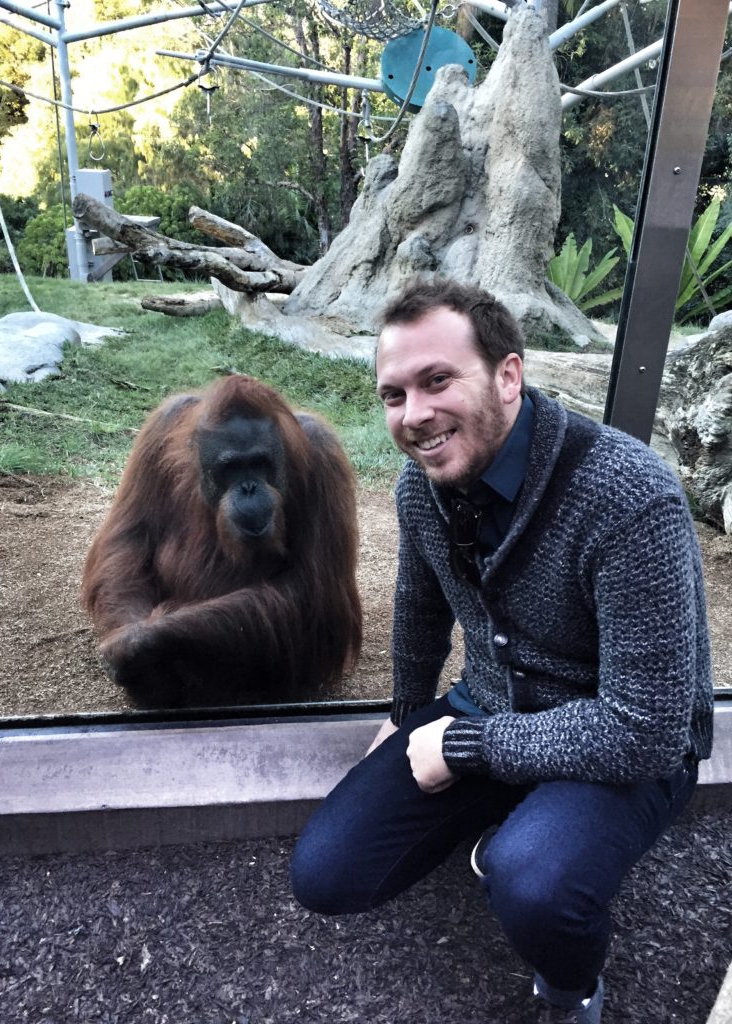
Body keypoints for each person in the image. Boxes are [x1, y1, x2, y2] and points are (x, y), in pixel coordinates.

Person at [290, 278, 714, 1024]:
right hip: (490, 706)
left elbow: (647, 730)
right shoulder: (421, 487)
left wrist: (463, 746)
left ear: (509, 375)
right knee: (326, 872)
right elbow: (422, 608)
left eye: (437, 380)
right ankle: (522, 817)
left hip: (623, 742)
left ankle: (571, 986)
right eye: (394, 395)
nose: (414, 415)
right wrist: (403, 714)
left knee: (534, 883)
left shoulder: (628, 496)